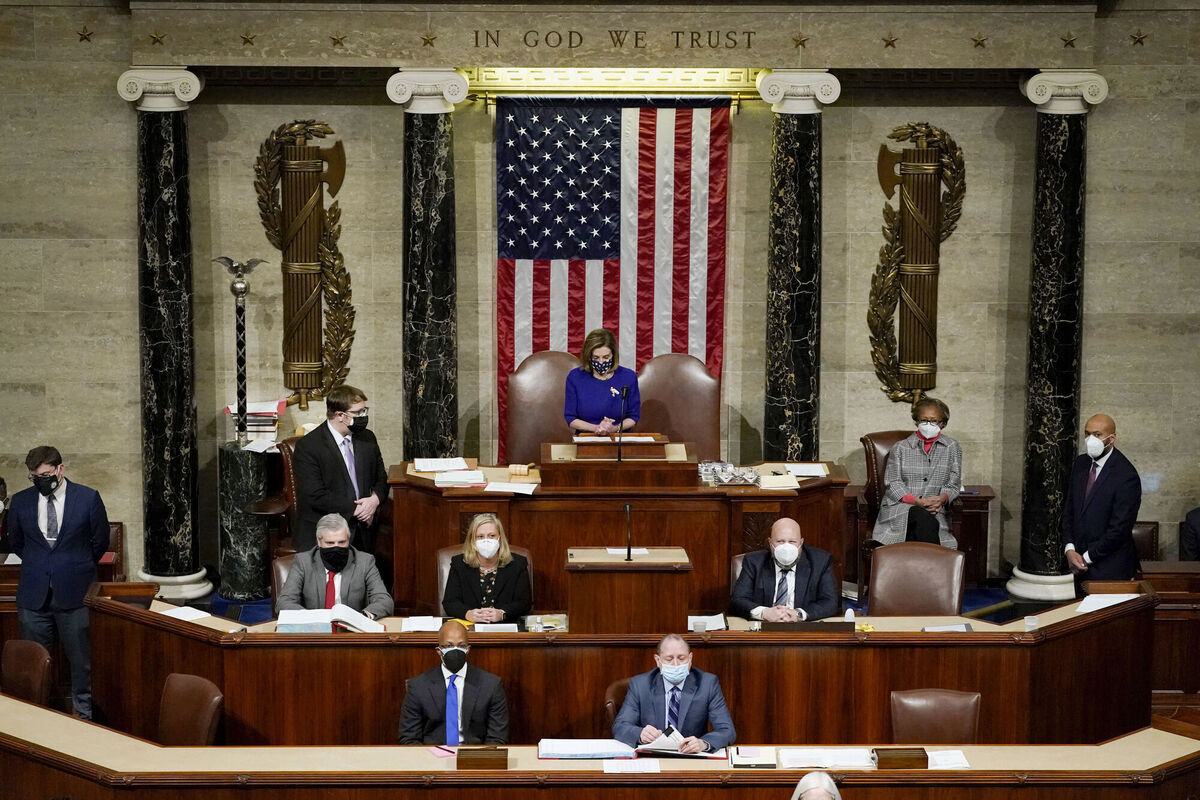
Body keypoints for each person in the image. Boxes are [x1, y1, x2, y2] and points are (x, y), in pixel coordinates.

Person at [6, 446, 109, 719]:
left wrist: (72, 565)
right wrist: (42, 563)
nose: (41, 481)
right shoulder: (21, 501)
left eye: (46, 475)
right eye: (34, 477)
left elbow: (99, 543)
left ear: (60, 469)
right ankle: (42, 717)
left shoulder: (87, 498)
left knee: (81, 662)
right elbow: (14, 541)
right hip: (33, 595)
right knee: (34, 663)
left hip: (75, 593)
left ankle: (84, 716)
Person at [292, 384, 388, 553]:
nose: (363, 416)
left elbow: (381, 478)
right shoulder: (309, 446)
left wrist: (374, 501)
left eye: (365, 410)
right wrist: (357, 509)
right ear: (340, 416)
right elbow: (315, 495)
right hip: (326, 532)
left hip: (365, 531)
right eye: (358, 413)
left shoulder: (367, 438)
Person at [612, 633, 736, 754]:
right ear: (658, 660)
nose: (676, 665)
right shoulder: (640, 685)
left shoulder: (707, 684)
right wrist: (640, 734)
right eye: (669, 659)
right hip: (652, 757)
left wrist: (703, 743)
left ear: (690, 658)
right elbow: (620, 726)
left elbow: (727, 730)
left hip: (691, 757)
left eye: (681, 658)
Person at [1063, 414, 1142, 593]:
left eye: (1097, 434)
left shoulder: (1126, 475)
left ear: (1111, 438)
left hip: (1109, 567)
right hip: (1078, 564)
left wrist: (1087, 557)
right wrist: (1069, 548)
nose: (1091, 439)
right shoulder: (1081, 463)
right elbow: (1069, 510)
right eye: (1087, 433)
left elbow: (1119, 529)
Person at [398, 620, 509, 745]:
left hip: (474, 757)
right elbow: (409, 738)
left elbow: (497, 738)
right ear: (439, 650)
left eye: (461, 646)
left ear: (468, 649)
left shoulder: (491, 685)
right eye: (449, 646)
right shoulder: (418, 686)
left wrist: (480, 760)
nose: (455, 651)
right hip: (432, 756)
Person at [872, 397, 962, 548]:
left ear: (943, 423)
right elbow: (893, 483)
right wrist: (918, 502)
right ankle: (937, 567)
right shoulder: (900, 448)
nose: (928, 424)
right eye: (923, 420)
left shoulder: (952, 447)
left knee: (921, 528)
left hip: (935, 510)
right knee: (923, 519)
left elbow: (954, 483)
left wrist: (942, 499)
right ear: (916, 422)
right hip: (900, 508)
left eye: (933, 421)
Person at [276, 513, 393, 619]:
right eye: (330, 543)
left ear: (349, 539)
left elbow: (384, 601)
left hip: (351, 634)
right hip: (315, 633)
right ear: (319, 541)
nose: (336, 547)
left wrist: (363, 617)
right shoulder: (303, 562)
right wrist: (311, 618)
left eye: (342, 542)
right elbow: (284, 602)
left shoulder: (365, 561)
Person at [729, 517, 839, 622]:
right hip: (764, 628)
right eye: (780, 541)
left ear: (801, 542)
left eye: (792, 542)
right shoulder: (754, 562)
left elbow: (831, 602)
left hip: (801, 630)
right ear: (770, 542)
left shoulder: (820, 561)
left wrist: (798, 614)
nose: (786, 547)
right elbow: (738, 600)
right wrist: (764, 612)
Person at [442, 513, 531, 623]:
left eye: (492, 535)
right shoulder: (459, 564)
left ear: (500, 538)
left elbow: (524, 603)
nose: (486, 540)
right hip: (470, 629)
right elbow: (450, 602)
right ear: (472, 540)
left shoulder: (517, 564)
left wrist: (502, 613)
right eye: (480, 536)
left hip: (505, 628)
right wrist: (468, 614)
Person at [564, 327, 640, 434]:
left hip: (619, 440)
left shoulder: (628, 377)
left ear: (613, 355)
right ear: (588, 356)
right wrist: (597, 428)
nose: (601, 362)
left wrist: (614, 428)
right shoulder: (575, 377)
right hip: (586, 440)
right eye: (595, 358)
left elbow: (633, 416)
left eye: (606, 357)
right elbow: (571, 418)